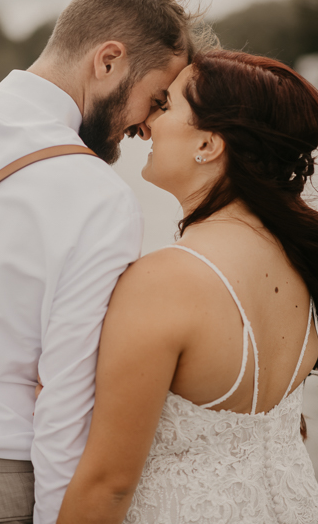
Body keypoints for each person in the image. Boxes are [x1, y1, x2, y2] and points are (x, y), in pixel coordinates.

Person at [0, 0, 215, 523]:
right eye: (154, 99)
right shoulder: (99, 197)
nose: (146, 127)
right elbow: (66, 403)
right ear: (108, 62)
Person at [55, 50, 318, 523]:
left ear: (209, 145)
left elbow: (108, 485)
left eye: (166, 105)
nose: (146, 123)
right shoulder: (297, 265)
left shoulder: (167, 281)